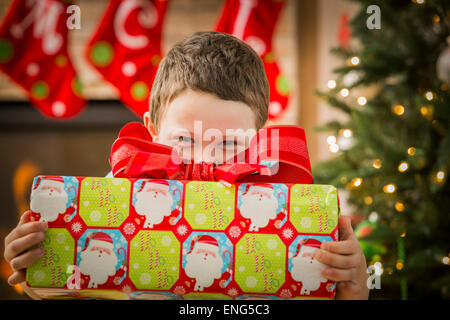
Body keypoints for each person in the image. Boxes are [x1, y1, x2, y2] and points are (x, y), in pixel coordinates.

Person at [3, 31, 369, 300]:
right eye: (185, 140)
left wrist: (351, 286)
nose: (205, 160)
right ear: (152, 130)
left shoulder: (284, 202)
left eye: (229, 144)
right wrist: (35, 266)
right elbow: (62, 287)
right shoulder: (118, 190)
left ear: (257, 141)